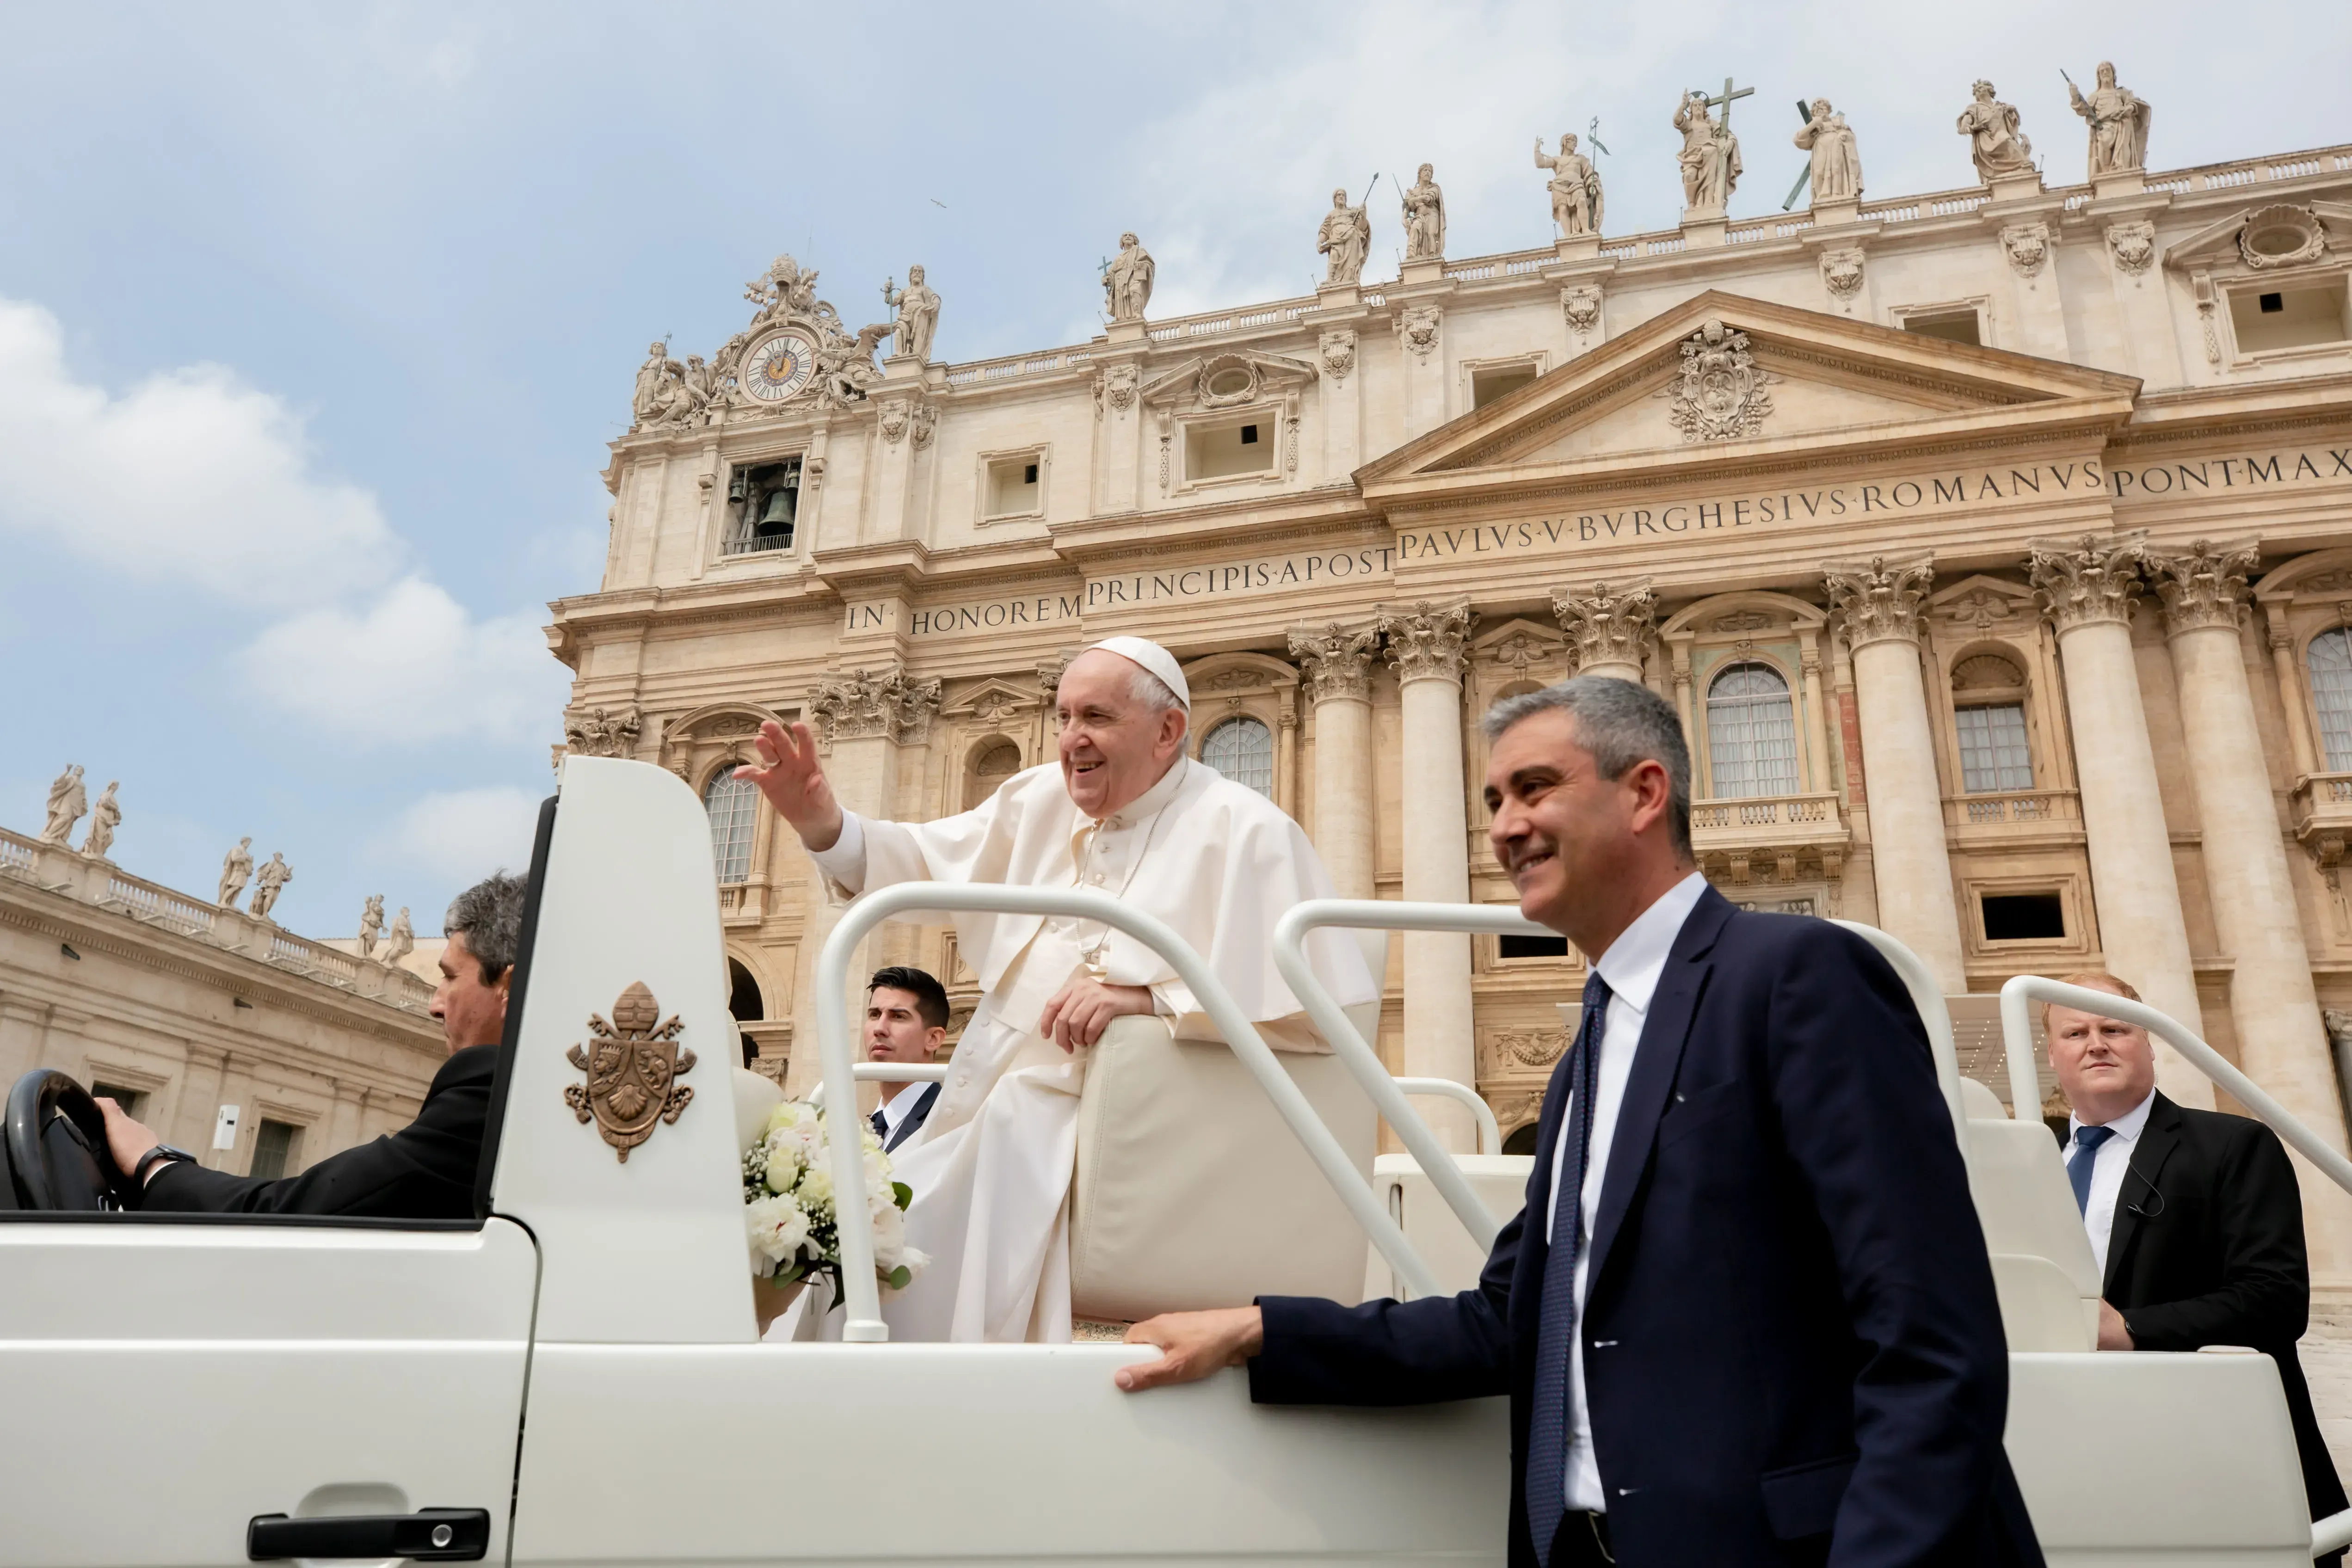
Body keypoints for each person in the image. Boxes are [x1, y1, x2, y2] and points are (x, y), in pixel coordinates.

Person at [1115, 676, 2039, 1568]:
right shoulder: (1589, 1053)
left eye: (1534, 788)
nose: (1503, 826)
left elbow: (1928, 1338)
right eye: (1492, 799)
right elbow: (1506, 1321)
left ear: (1643, 793)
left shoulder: (1798, 975)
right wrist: (1259, 1331)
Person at [736, 635, 1371, 1343]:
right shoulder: (1036, 797)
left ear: (1167, 730)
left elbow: (1318, 1012)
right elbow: (921, 862)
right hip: (984, 1098)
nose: (1072, 739)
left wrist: (1149, 999)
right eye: (1064, 716)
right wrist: (819, 816)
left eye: (1095, 716)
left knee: (920, 1214)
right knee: (864, 1221)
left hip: (1109, 1114)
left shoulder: (1245, 827)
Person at [2045, 972, 2348, 1555]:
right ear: (2053, 1054)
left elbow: (2275, 1299)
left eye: (2115, 1027)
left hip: (2220, 1459)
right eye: (2075, 1031)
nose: (2095, 1043)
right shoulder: (2028, 1162)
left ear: (2150, 1041)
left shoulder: (2233, 1145)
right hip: (2078, 1462)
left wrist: (2130, 1329)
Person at [96, 873, 529, 1219]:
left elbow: (299, 1213)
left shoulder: (490, 1098)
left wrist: (152, 1165)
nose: (434, 1005)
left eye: (450, 977)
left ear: (507, 985)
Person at [865, 965, 949, 1154]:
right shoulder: (863, 1129)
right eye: (875, 1015)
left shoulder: (950, 1126)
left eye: (898, 1016)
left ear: (933, 1038)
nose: (879, 1028)